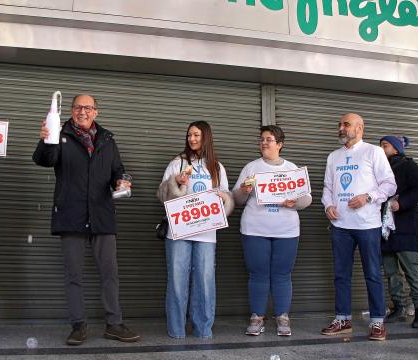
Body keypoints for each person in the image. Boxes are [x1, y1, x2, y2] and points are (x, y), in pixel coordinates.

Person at [33, 94, 139, 345]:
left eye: (88, 108)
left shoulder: (108, 139)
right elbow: (44, 161)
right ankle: (78, 326)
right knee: (73, 275)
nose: (83, 112)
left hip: (102, 215)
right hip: (71, 214)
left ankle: (114, 324)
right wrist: (47, 139)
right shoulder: (60, 133)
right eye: (78, 107)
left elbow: (117, 169)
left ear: (96, 112)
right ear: (71, 110)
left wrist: (122, 180)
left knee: (110, 273)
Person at [321, 113, 396, 341]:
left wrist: (368, 197)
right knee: (341, 275)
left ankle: (377, 322)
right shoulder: (333, 157)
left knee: (372, 274)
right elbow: (327, 187)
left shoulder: (374, 152)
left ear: (360, 128)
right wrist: (328, 206)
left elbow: (390, 185)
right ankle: (343, 319)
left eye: (346, 124)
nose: (341, 128)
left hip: (367, 225)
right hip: (340, 226)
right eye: (340, 124)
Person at [232, 125, 312, 336]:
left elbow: (307, 200)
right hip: (255, 229)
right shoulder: (251, 168)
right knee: (258, 274)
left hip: (286, 230)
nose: (264, 143)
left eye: (269, 139)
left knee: (282, 274)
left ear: (280, 144)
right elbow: (236, 200)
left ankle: (282, 316)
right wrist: (243, 191)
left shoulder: (292, 169)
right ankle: (257, 317)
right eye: (261, 139)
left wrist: (294, 202)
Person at [156, 121, 233, 339]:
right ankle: (176, 330)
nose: (192, 139)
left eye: (197, 135)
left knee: (205, 282)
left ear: (206, 137)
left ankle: (203, 329)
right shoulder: (177, 163)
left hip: (207, 233)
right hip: (178, 231)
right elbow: (161, 195)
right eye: (189, 135)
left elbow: (226, 198)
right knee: (177, 281)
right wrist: (175, 182)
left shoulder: (216, 167)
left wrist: (223, 198)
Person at [378, 135, 418, 328]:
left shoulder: (409, 166)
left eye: (385, 145)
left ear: (397, 148)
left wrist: (402, 203)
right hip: (384, 230)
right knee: (391, 272)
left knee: (412, 271)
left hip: (405, 228)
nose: (381, 149)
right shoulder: (380, 168)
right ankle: (398, 307)